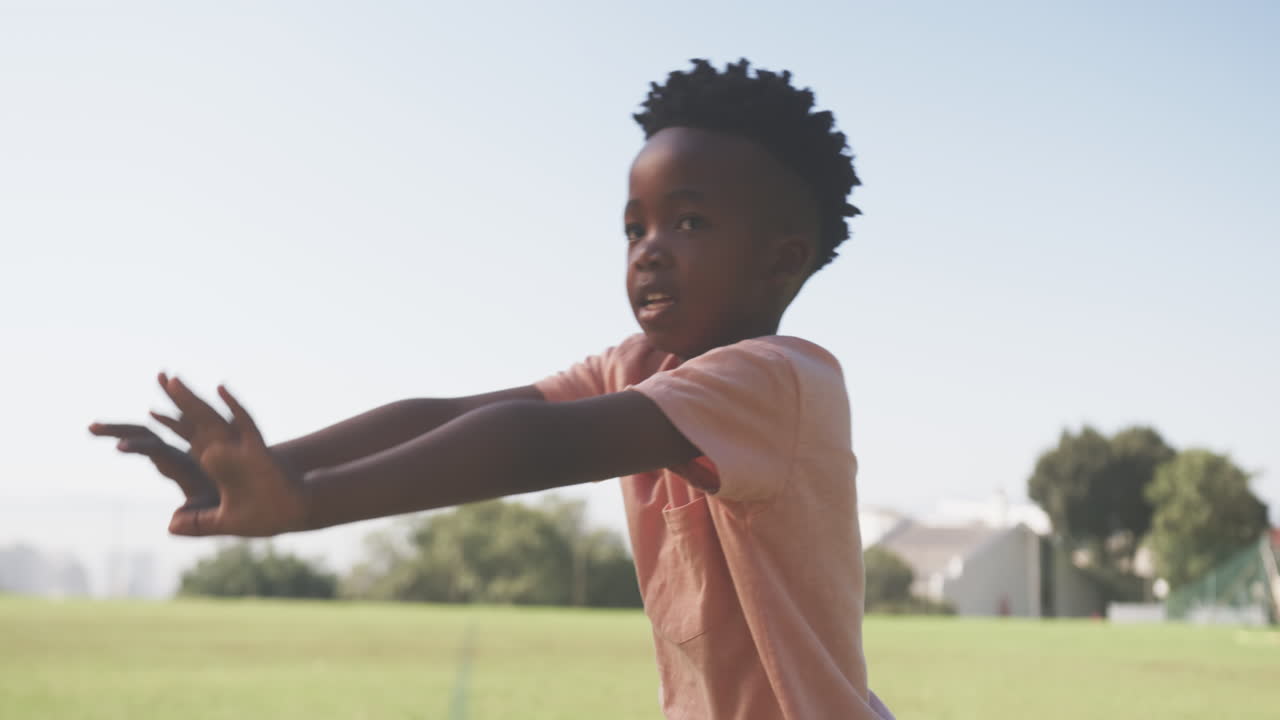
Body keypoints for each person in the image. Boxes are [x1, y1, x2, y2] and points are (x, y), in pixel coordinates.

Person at [90, 58, 894, 720]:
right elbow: (455, 416)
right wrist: (263, 469)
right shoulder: (639, 365)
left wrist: (307, 503)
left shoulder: (779, 379)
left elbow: (525, 442)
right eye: (634, 227)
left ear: (782, 260)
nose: (648, 251)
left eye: (688, 224)